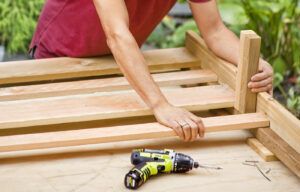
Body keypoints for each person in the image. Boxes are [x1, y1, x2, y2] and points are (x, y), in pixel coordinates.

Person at [30, 0, 273, 142]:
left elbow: (215, 32)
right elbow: (117, 34)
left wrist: (252, 62)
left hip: (118, 64)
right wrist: (160, 104)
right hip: (59, 60)